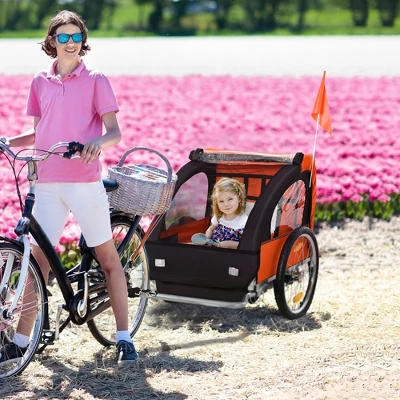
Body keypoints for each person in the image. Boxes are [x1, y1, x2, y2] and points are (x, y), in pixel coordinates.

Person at [0, 10, 138, 366]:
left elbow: (114, 132)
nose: (71, 42)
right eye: (64, 36)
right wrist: (8, 141)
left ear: (83, 40)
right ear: (52, 41)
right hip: (47, 182)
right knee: (37, 263)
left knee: (108, 260)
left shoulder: (96, 80)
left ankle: (123, 338)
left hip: (83, 182)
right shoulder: (40, 81)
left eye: (77, 36)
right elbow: (38, 132)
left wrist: (97, 143)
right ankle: (20, 342)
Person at [205, 177, 248, 249]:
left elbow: (246, 244)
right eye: (221, 201)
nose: (226, 204)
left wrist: (228, 244)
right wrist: (206, 240)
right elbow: (211, 229)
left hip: (229, 253)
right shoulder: (219, 216)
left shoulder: (243, 221)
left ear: (239, 199)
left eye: (230, 199)